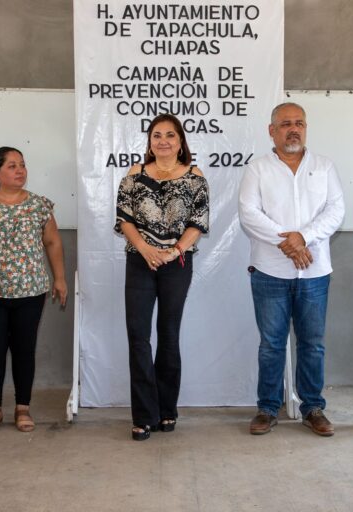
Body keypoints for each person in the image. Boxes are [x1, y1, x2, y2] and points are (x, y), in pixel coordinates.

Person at [239, 102, 345, 436]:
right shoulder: (257, 168)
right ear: (272, 130)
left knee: (312, 343)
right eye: (285, 123)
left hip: (314, 273)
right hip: (270, 270)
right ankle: (267, 409)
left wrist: (304, 237)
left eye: (299, 122)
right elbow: (249, 213)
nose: (293, 129)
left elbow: (336, 210)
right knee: (271, 344)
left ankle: (312, 407)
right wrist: (287, 243)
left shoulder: (324, 166)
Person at [0, 147, 68, 435]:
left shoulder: (40, 206)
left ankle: (22, 407)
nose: (20, 170)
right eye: (12, 166)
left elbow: (53, 243)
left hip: (31, 292)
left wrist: (60, 279)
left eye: (22, 165)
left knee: (23, 350)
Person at [115, 113, 209, 441]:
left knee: (168, 335)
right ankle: (143, 415)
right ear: (150, 142)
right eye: (157, 135)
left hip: (176, 263)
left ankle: (167, 410)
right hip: (139, 261)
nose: (164, 141)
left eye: (170, 135)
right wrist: (144, 248)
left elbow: (198, 222)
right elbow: (124, 218)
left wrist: (173, 251)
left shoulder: (195, 177)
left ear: (180, 141)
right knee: (138, 337)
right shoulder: (134, 175)